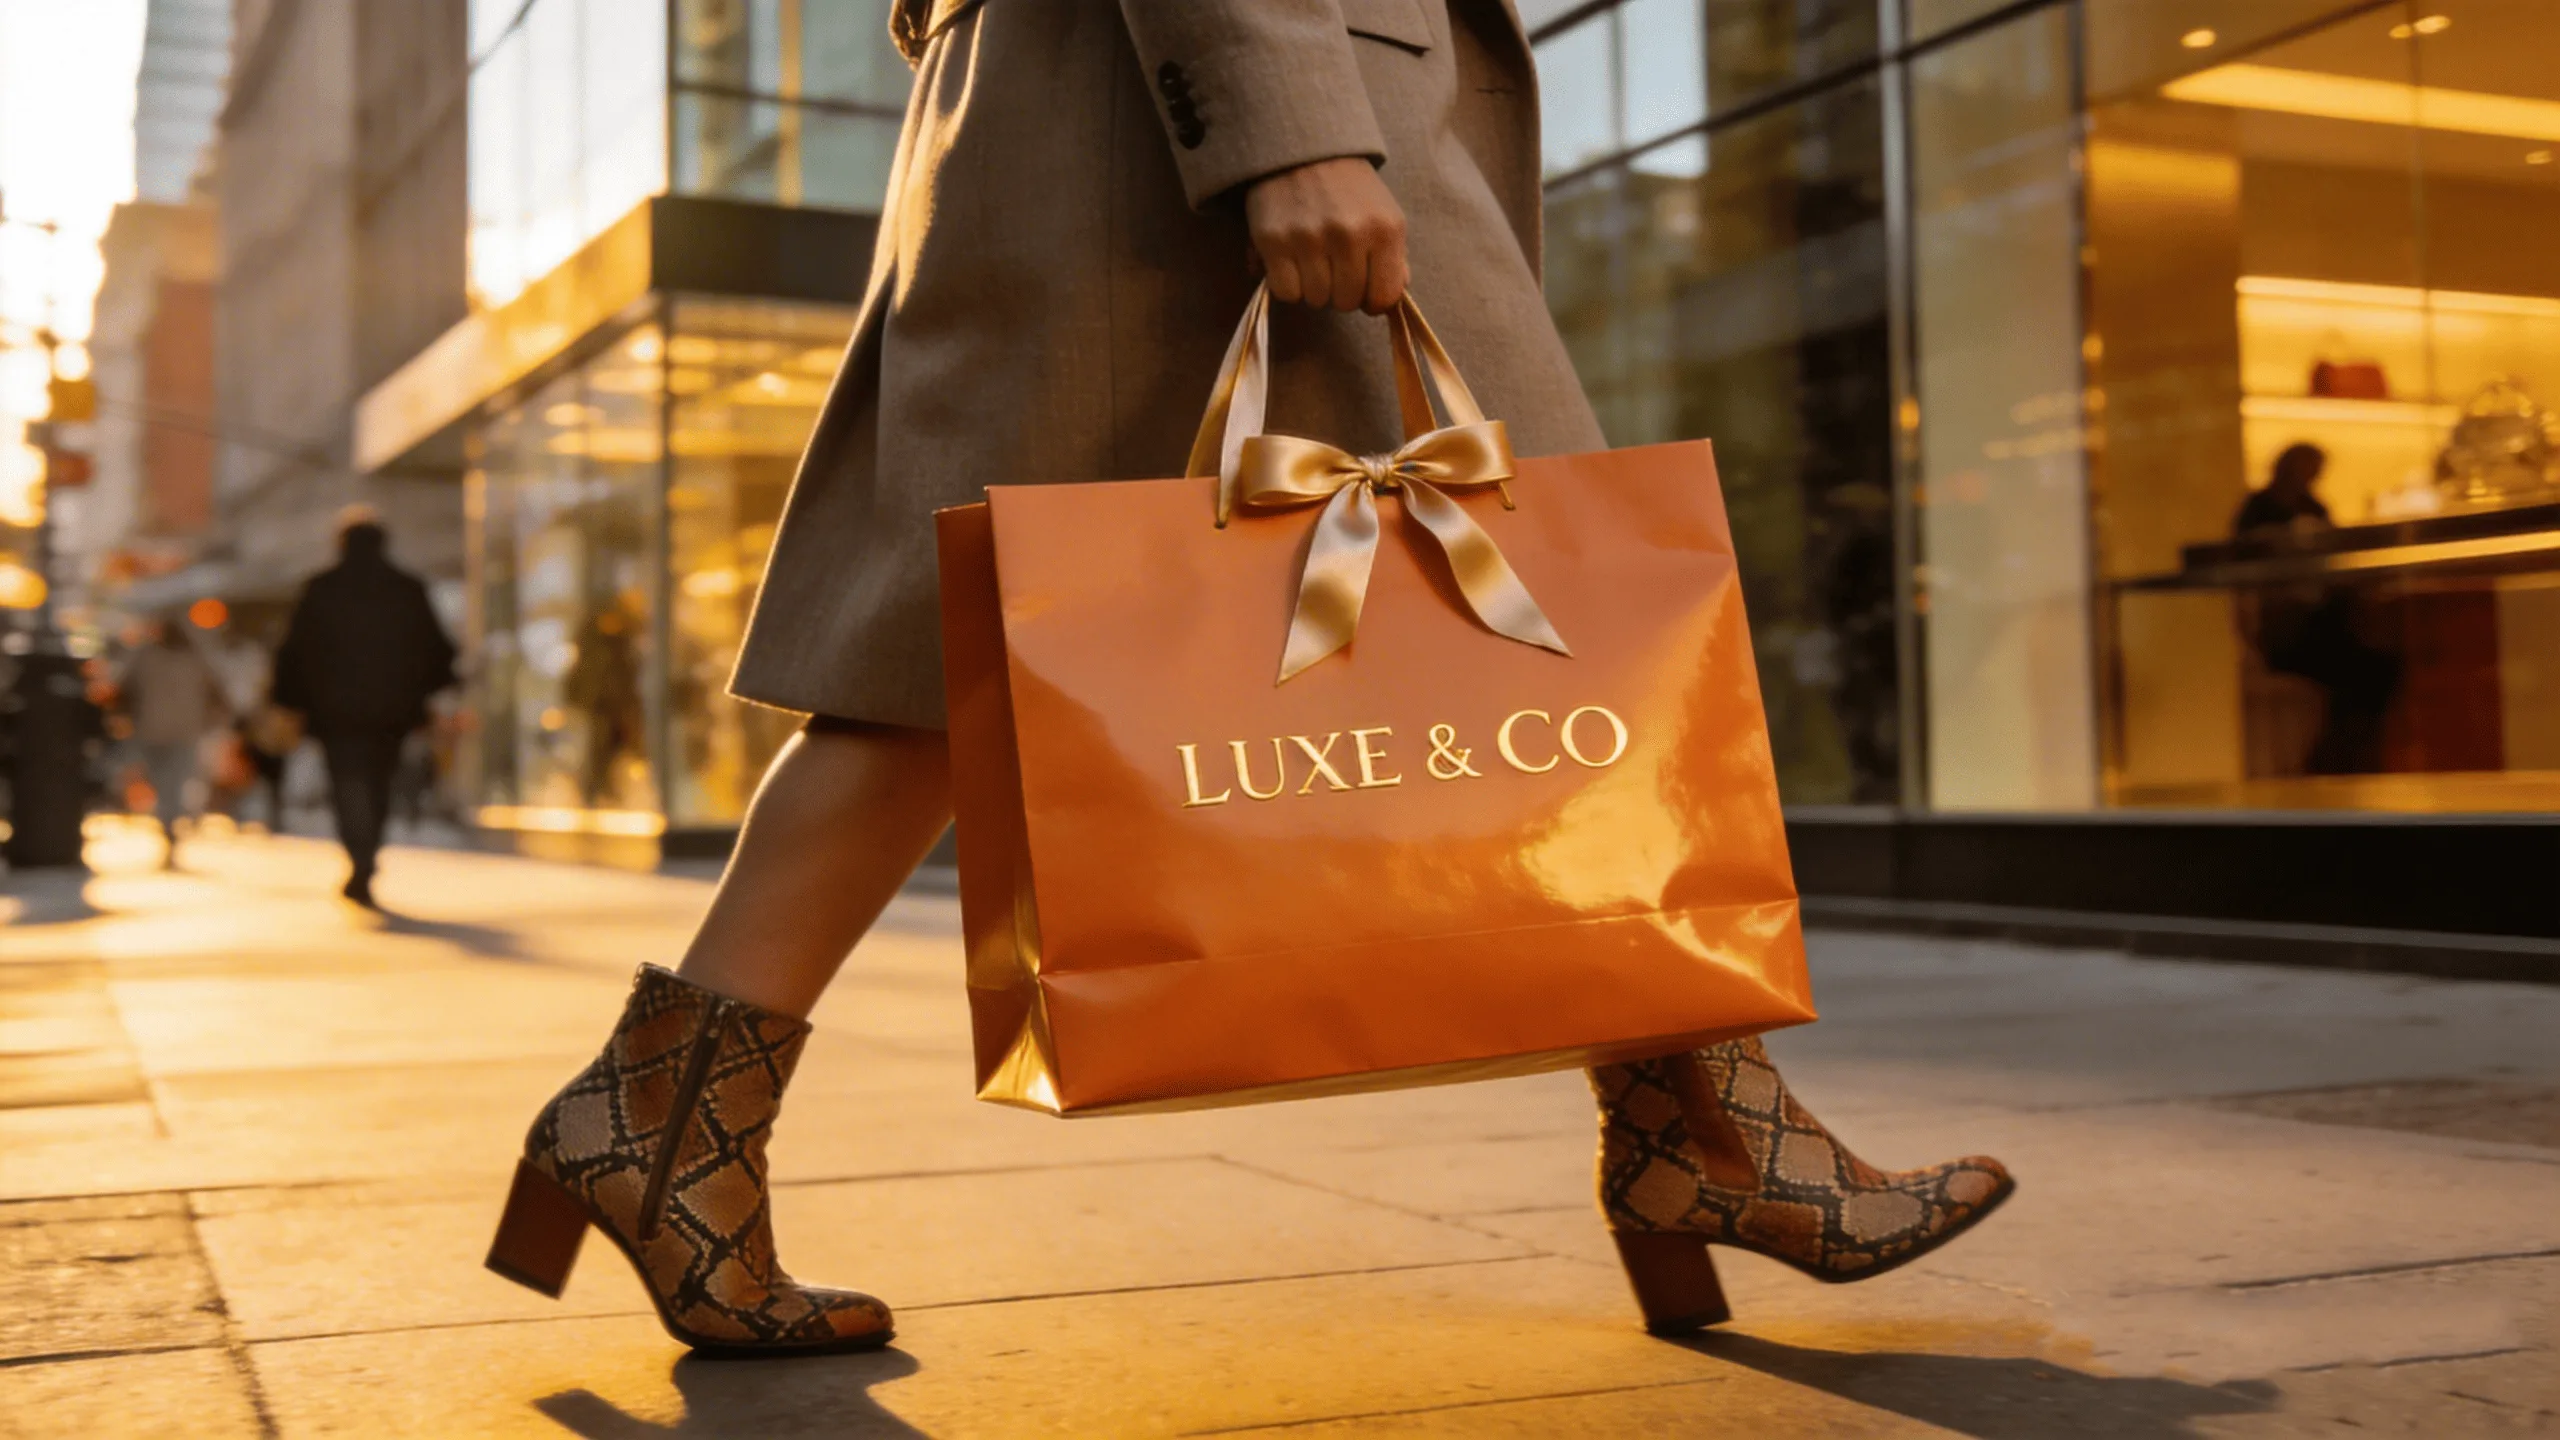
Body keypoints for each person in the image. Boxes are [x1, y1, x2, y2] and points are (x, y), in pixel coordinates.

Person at [485, 2, 2012, 1357]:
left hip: (1127, 94)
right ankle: (1710, 1136)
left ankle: (660, 1118)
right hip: (1213, 102)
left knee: (971, 651)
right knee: (1508, 605)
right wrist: (1284, 122)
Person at [271, 510, 457, 907]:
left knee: (347, 783)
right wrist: (426, 692)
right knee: (378, 781)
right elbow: (435, 649)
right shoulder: (406, 589)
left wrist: (290, 700)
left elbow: (294, 653)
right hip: (391, 711)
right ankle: (366, 851)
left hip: (335, 712)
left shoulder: (322, 589)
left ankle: (360, 852)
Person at [2234, 443, 2401, 774]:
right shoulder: (2258, 510)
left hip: (2318, 624)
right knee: (2366, 670)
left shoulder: (2312, 506)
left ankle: (2338, 763)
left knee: (2373, 668)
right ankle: (2334, 765)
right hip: (2290, 630)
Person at [122, 620, 226, 866]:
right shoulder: (195, 661)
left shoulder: (146, 658)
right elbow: (218, 695)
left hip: (152, 730)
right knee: (174, 785)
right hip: (183, 731)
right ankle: (170, 825)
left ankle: (167, 825)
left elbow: (126, 691)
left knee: (161, 784)